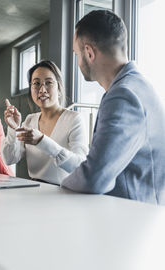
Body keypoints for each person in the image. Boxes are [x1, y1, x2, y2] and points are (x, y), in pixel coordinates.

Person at [62, 10, 165, 205]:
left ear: (89, 52)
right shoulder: (135, 86)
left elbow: (94, 177)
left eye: (77, 54)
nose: (77, 61)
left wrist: (61, 186)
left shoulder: (124, 95)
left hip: (132, 222)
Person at [2, 60, 88, 185]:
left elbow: (80, 165)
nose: (42, 90)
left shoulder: (74, 119)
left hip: (64, 192)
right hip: (35, 191)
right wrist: (13, 128)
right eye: (36, 83)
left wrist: (43, 141)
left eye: (48, 83)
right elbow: (9, 159)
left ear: (59, 88)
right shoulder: (30, 120)